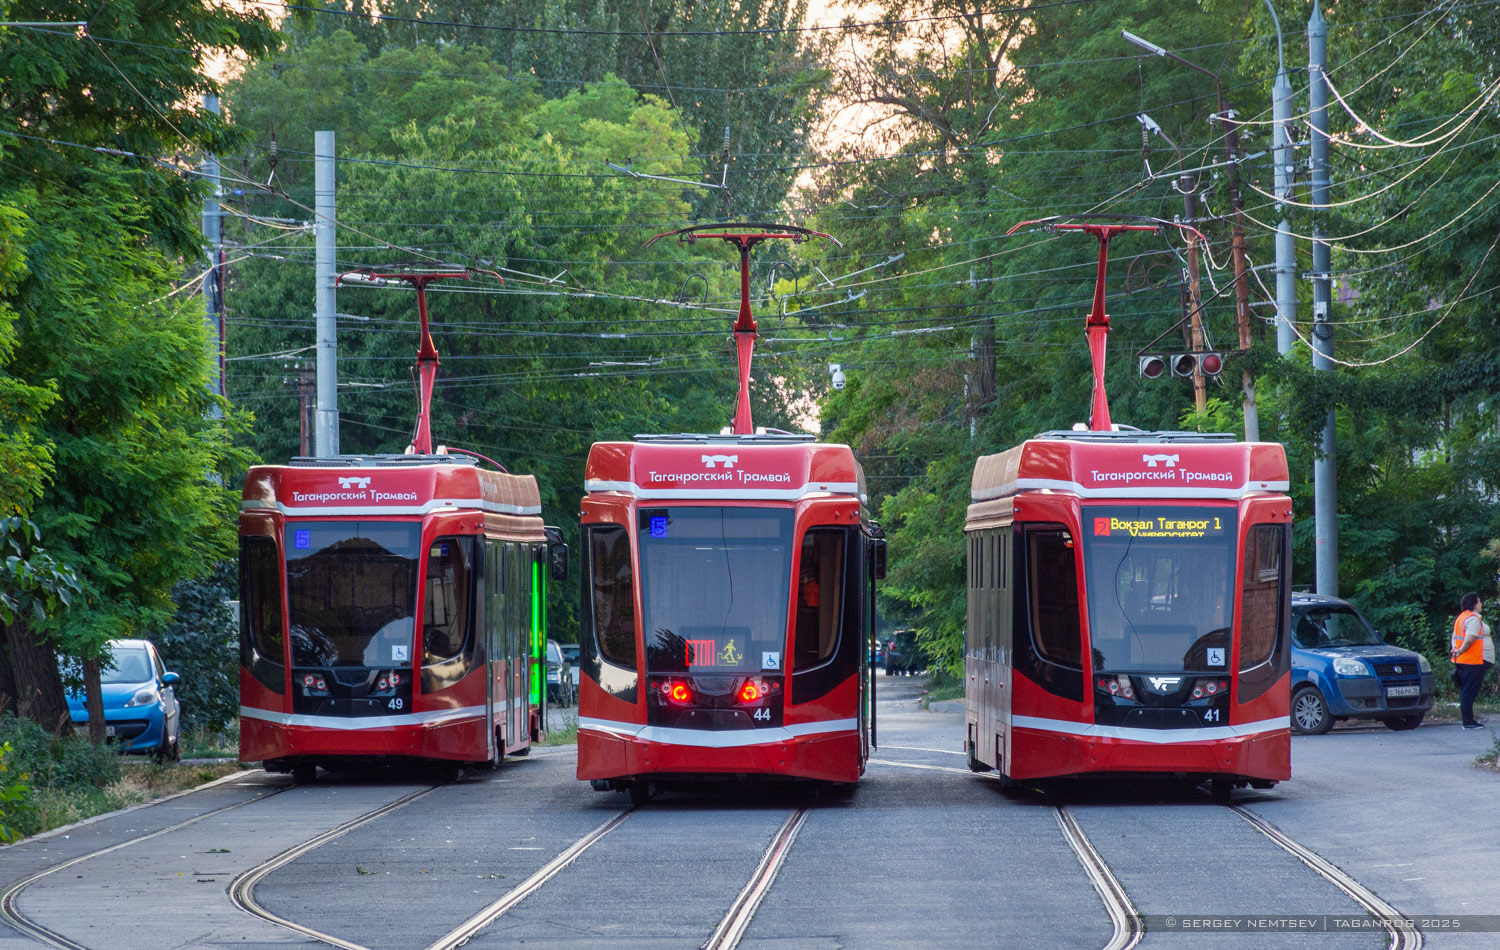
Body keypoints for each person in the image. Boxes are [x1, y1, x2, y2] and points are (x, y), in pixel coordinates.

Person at [1450, 592, 1494, 729]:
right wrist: (1461, 650)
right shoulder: (1473, 619)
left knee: (1467, 690)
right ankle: (1468, 722)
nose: (1481, 604)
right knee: (1469, 691)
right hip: (1473, 660)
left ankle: (1468, 720)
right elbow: (1470, 638)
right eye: (1479, 601)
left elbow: (1455, 638)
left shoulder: (1461, 617)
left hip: (1467, 660)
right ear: (1474, 605)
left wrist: (1456, 649)